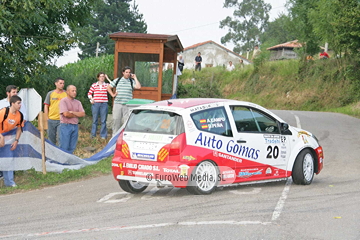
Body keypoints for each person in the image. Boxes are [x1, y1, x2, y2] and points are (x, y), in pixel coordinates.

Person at [107, 66, 141, 136]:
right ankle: (114, 137)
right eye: (126, 72)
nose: (128, 74)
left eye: (129, 72)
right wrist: (112, 95)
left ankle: (125, 136)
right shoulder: (118, 80)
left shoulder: (132, 81)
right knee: (116, 121)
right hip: (118, 104)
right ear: (123, 73)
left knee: (127, 121)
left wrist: (135, 78)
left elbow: (138, 87)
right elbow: (108, 87)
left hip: (128, 105)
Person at [0, 95, 25, 187]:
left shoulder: (19, 115)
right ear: (12, 103)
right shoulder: (3, 112)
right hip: (0, 135)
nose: (20, 105)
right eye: (18, 103)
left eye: (20, 103)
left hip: (7, 137)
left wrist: (16, 141)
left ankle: (9, 183)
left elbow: (19, 129)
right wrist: (1, 137)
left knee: (8, 159)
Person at [59, 85, 85, 154]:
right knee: (64, 146)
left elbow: (82, 114)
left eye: (75, 91)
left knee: (72, 147)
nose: (74, 92)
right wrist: (77, 114)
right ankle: (62, 163)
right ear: (67, 92)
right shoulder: (63, 101)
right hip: (65, 125)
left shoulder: (78, 102)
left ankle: (69, 163)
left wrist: (73, 112)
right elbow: (66, 114)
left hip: (75, 126)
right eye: (72, 91)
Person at [44, 78, 67, 145]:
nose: (62, 85)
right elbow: (46, 106)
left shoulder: (66, 94)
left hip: (62, 120)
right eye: (60, 83)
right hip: (51, 119)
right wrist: (46, 117)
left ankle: (60, 153)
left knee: (61, 138)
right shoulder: (50, 94)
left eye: (63, 83)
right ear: (56, 83)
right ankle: (52, 154)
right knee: (51, 139)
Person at [88, 72, 109, 139]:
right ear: (98, 77)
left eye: (103, 76)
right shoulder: (94, 85)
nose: (102, 78)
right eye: (101, 76)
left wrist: (108, 78)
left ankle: (103, 135)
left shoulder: (107, 85)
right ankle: (93, 135)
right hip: (96, 103)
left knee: (103, 120)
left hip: (104, 103)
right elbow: (89, 94)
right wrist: (91, 99)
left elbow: (113, 85)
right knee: (95, 120)